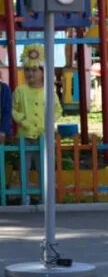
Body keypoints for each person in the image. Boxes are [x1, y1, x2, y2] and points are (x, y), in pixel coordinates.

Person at [12, 45, 62, 182]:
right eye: (27, 70)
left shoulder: (49, 92)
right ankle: (25, 198)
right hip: (25, 136)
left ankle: (44, 198)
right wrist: (23, 120)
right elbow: (14, 109)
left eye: (34, 70)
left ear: (43, 72)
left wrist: (47, 122)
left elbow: (58, 110)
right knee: (24, 167)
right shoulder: (20, 91)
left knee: (44, 168)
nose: (30, 73)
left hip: (43, 136)